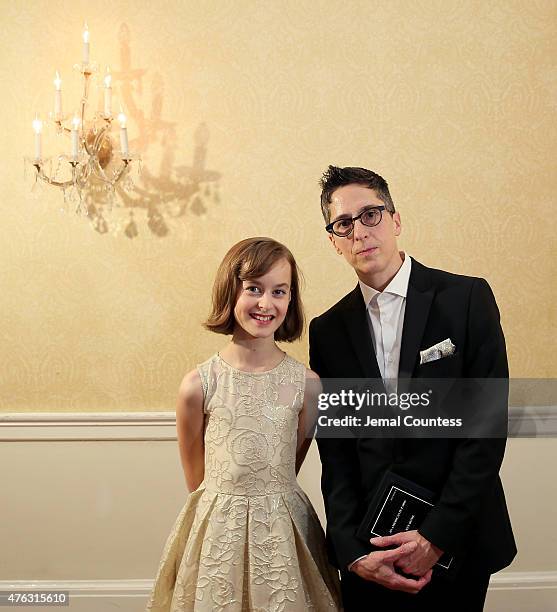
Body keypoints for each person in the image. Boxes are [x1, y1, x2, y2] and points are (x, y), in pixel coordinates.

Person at [309, 166, 517, 612]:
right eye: (343, 224)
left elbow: (486, 428)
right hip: (373, 546)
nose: (359, 231)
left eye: (370, 215)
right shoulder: (326, 330)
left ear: (396, 220)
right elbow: (337, 451)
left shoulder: (466, 299)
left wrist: (436, 537)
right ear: (333, 241)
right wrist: (352, 551)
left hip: (457, 540)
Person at [146, 237, 341, 611]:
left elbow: (289, 464)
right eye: (254, 288)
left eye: (279, 291)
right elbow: (198, 481)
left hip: (285, 535)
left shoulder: (307, 385)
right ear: (230, 290)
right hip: (217, 537)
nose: (266, 303)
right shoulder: (198, 386)